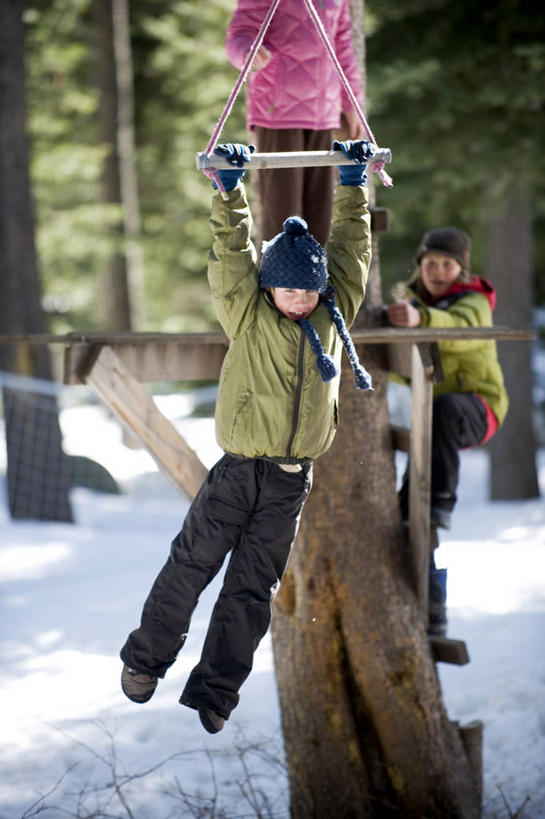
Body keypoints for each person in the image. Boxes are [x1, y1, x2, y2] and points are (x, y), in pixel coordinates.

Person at [120, 139, 374, 733]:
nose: (299, 298)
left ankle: (215, 691)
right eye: (288, 289)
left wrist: (353, 184)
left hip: (290, 481)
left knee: (250, 590)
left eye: (308, 290)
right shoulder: (246, 311)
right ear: (268, 288)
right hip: (238, 472)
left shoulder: (334, 312)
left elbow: (352, 250)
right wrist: (228, 192)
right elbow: (231, 253)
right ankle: (145, 660)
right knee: (191, 567)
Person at [386, 227, 509, 634]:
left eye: (447, 264)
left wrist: (420, 320)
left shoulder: (473, 302)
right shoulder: (410, 301)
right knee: (405, 514)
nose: (438, 271)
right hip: (431, 417)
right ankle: (431, 605)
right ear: (420, 265)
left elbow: (460, 329)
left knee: (445, 411)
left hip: (477, 405)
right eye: (431, 263)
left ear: (461, 269)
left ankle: (440, 501)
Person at [225, 0, 364, 246]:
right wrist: (247, 52)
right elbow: (241, 32)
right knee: (283, 216)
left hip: (324, 115)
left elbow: (341, 45)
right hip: (278, 113)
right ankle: (278, 283)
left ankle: (316, 284)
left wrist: (351, 101)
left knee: (321, 216)